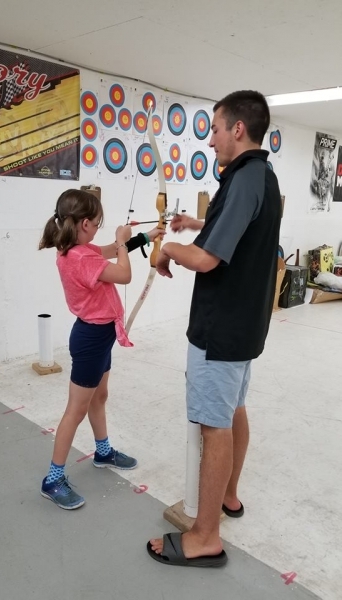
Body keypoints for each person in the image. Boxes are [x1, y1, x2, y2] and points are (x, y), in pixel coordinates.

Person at [147, 90, 282, 566]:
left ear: (238, 129)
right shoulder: (262, 176)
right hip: (244, 328)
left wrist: (167, 249)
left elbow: (206, 259)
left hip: (219, 329)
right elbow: (244, 224)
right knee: (233, 409)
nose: (210, 140)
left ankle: (205, 536)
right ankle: (228, 496)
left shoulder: (244, 177)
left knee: (213, 426)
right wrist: (198, 221)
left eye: (216, 129)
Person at [39, 188, 165, 510]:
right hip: (91, 339)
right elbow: (123, 273)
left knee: (100, 396)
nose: (98, 228)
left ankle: (103, 451)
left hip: (101, 335)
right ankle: (53, 479)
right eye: (96, 223)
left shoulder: (79, 248)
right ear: (84, 224)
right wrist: (122, 242)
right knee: (75, 410)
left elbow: (108, 251)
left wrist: (146, 236)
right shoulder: (79, 258)